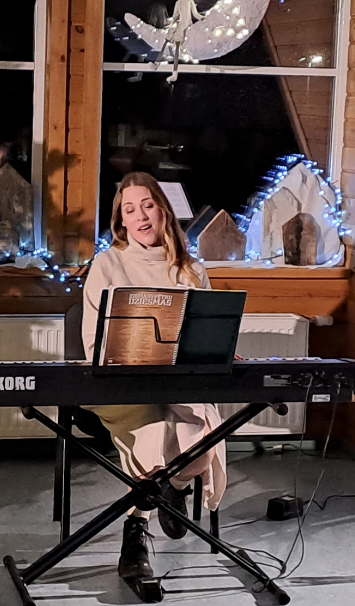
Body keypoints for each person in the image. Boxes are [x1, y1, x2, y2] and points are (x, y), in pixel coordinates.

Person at [81, 171, 228, 581]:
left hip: (179, 383)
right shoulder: (107, 265)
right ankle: (136, 529)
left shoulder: (191, 269)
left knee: (201, 434)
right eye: (130, 210)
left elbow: (207, 335)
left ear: (163, 211)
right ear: (121, 221)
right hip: (123, 386)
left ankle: (174, 488)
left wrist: (217, 346)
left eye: (147, 206)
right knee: (152, 428)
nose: (141, 216)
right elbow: (94, 343)